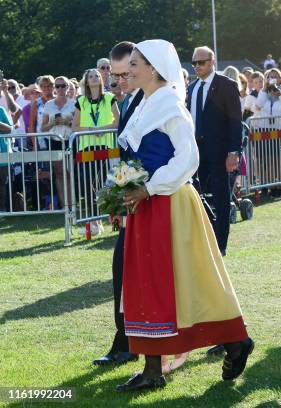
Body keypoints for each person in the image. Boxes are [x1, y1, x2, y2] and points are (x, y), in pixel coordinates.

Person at [117, 39, 253, 392]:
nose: (128, 71)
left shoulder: (170, 106)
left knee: (190, 279)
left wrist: (151, 186)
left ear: (153, 68)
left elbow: (188, 158)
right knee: (146, 282)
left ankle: (236, 340)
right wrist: (126, 188)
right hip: (147, 204)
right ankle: (152, 369)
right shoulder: (145, 102)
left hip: (170, 203)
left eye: (134, 64)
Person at [91, 41, 143, 368]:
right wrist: (116, 196)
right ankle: (124, 341)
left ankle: (228, 337)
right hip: (131, 197)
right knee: (121, 271)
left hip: (150, 199)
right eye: (114, 73)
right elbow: (127, 158)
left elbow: (145, 157)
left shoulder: (149, 103)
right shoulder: (126, 104)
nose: (118, 81)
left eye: (125, 73)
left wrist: (123, 195)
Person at [187, 46, 243, 256]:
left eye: (201, 62)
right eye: (194, 63)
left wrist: (233, 151)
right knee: (196, 195)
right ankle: (204, 238)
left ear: (212, 61)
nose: (197, 67)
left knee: (221, 197)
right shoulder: (191, 88)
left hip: (219, 150)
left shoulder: (226, 85)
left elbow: (235, 121)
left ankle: (221, 245)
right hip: (195, 151)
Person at [71, 68, 120, 235]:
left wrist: (102, 129)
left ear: (101, 80)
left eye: (96, 76)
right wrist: (92, 129)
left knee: (102, 185)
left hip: (106, 148)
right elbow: (74, 126)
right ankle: (94, 222)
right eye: (90, 76)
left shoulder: (109, 98)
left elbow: (118, 121)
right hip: (86, 148)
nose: (93, 78)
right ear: (86, 81)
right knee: (87, 186)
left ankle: (110, 220)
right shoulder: (81, 101)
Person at [40, 76, 74, 208]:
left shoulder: (73, 103)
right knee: (59, 173)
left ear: (67, 87)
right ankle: (64, 204)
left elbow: (78, 124)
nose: (60, 88)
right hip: (54, 140)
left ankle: (73, 203)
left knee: (70, 172)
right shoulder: (49, 105)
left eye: (63, 85)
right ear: (55, 88)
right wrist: (53, 122)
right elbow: (43, 128)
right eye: (58, 86)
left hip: (70, 140)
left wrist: (66, 122)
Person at [0, 105, 13, 212]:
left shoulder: (1, 109)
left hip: (3, 154)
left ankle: (3, 209)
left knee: (3, 184)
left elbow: (9, 129)